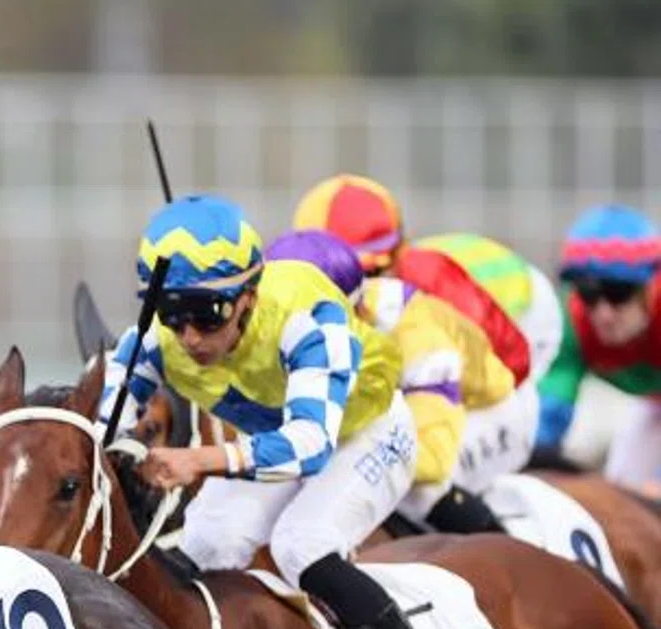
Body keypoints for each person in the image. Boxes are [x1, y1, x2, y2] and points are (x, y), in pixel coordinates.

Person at [103, 195, 478, 629]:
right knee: (207, 541)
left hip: (364, 433)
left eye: (205, 316)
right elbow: (101, 413)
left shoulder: (308, 318)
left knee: (302, 544)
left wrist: (198, 460)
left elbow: (309, 445)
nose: (189, 337)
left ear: (247, 297)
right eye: (171, 315)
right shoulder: (159, 339)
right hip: (278, 431)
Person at [291, 174, 566, 492]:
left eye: (369, 273)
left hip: (518, 349)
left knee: (414, 481)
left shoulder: (431, 287)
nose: (353, 289)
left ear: (398, 253)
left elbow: (512, 365)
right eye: (331, 278)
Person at [265, 229, 517, 534]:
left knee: (418, 492)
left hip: (488, 410)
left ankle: (511, 554)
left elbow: (432, 456)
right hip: (389, 407)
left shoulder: (416, 331)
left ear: (356, 311)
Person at [534, 205, 661, 495]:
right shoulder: (573, 322)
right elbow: (551, 410)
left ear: (651, 286)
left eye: (619, 292)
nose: (603, 314)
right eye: (589, 294)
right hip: (651, 404)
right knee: (625, 496)